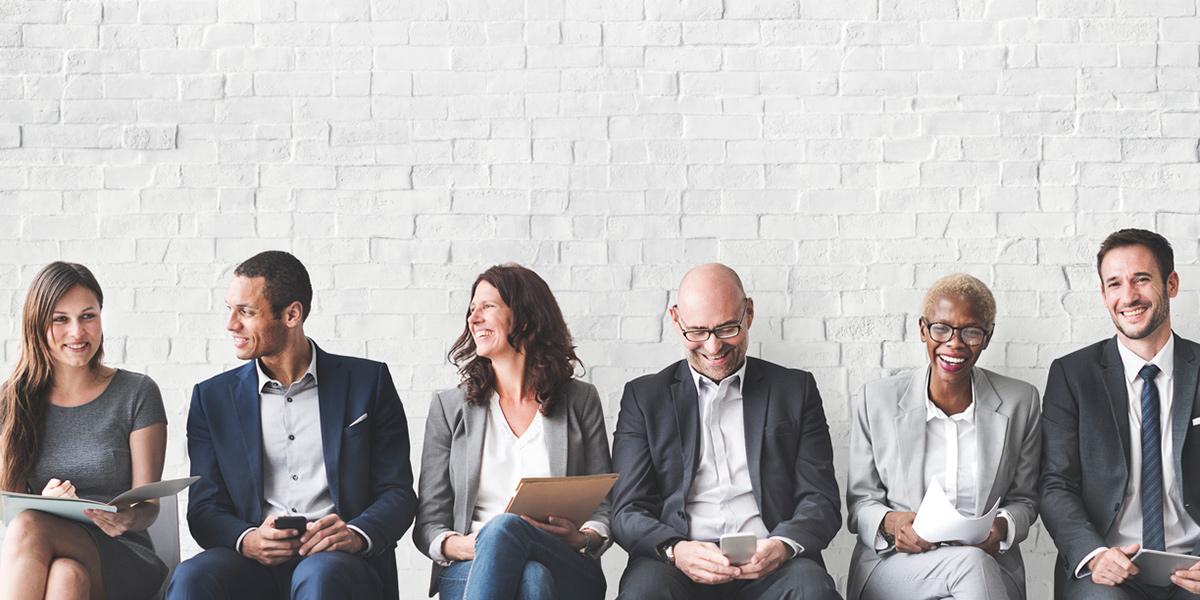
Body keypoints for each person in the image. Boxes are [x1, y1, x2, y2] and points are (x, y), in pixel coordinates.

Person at [166, 251, 417, 600]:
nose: (231, 324)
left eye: (246, 312)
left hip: (338, 563)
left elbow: (398, 491)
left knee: (320, 575)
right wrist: (248, 540)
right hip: (252, 563)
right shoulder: (212, 399)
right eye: (230, 309)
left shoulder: (368, 382)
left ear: (291, 314)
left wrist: (355, 534)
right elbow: (204, 508)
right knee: (193, 576)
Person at [610, 262, 841, 600]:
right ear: (676, 320)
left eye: (726, 329)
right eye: (698, 332)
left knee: (813, 591)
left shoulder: (795, 389)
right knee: (642, 592)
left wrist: (781, 546)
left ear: (748, 313)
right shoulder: (645, 398)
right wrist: (677, 550)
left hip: (773, 561)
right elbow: (626, 509)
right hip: (676, 563)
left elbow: (820, 499)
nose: (713, 347)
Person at [414, 263, 612, 600]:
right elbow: (429, 523)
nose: (473, 319)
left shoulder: (580, 401)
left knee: (508, 530)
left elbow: (604, 507)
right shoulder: (449, 409)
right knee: (531, 577)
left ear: (522, 318)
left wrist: (581, 538)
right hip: (471, 565)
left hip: (564, 561)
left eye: (487, 307)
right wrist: (468, 545)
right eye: (471, 309)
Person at [846, 273, 1041, 600]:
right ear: (923, 330)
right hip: (898, 565)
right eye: (942, 328)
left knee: (971, 563)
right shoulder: (876, 400)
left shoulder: (1020, 401)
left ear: (987, 337)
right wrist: (893, 524)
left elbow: (1025, 499)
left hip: (988, 564)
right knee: (968, 564)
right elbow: (860, 502)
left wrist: (1001, 528)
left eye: (971, 332)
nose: (955, 343)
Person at [1041, 228, 1200, 599]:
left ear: (1172, 283)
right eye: (1114, 284)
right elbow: (1055, 484)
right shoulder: (1072, 375)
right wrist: (1094, 555)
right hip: (1107, 568)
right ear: (1103, 293)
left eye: (1141, 279)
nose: (1127, 296)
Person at [0, 261, 169, 600]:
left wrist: (126, 518)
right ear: (37, 326)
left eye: (87, 316)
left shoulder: (137, 392)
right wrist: (44, 504)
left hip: (122, 552)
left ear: (101, 318)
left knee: (29, 525)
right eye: (60, 319)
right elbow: (7, 506)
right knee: (66, 576)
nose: (77, 332)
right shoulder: (12, 400)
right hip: (47, 553)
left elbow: (149, 505)